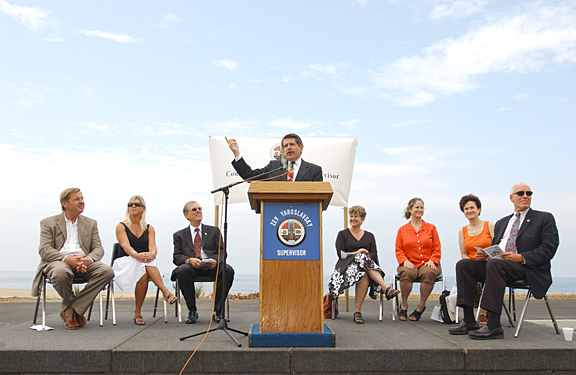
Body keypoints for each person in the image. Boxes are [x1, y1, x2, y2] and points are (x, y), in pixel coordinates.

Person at [449, 183, 559, 339]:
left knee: (495, 264)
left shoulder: (544, 218)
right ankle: (468, 320)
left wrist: (522, 257)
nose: (525, 196)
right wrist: (486, 256)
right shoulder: (503, 222)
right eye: (520, 193)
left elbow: (549, 248)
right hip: (498, 266)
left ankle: (493, 324)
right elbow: (496, 247)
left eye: (529, 193)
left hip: (526, 268)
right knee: (464, 265)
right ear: (511, 197)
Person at [32, 188, 114, 329]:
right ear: (65, 203)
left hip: (84, 261)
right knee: (60, 273)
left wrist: (88, 259)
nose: (81, 202)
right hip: (58, 261)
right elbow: (44, 249)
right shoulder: (48, 222)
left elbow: (98, 249)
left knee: (107, 271)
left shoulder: (91, 223)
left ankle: (72, 310)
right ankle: (72, 311)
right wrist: (66, 259)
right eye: (77, 199)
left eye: (82, 198)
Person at [112, 195, 177, 325]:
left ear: (143, 208)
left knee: (144, 270)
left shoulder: (149, 228)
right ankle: (165, 292)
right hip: (125, 260)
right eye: (130, 204)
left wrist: (151, 255)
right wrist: (137, 256)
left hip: (143, 262)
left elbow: (153, 247)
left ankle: (138, 313)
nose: (133, 207)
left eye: (136, 204)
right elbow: (125, 246)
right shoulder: (121, 226)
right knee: (144, 265)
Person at [328, 206, 399, 324]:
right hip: (346, 267)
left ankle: (357, 312)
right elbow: (341, 254)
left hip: (364, 268)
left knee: (364, 273)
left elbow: (374, 255)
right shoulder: (342, 234)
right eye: (351, 216)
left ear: (362, 219)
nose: (353, 218)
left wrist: (363, 256)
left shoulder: (369, 236)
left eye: (356, 216)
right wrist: (357, 253)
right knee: (361, 256)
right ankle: (385, 287)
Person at [171, 201, 235, 324]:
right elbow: (177, 257)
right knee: (182, 270)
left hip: (211, 266)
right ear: (186, 215)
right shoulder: (179, 235)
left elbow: (222, 252)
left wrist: (215, 260)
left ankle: (218, 311)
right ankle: (192, 310)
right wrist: (189, 260)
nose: (198, 211)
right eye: (194, 209)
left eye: (199, 208)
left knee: (228, 270)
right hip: (192, 267)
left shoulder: (214, 231)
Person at [395, 198, 442, 321]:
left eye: (422, 208)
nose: (420, 210)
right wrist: (404, 260)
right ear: (410, 209)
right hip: (409, 262)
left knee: (428, 272)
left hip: (428, 262)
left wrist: (433, 260)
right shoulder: (402, 230)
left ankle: (421, 306)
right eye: (417, 207)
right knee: (406, 273)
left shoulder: (431, 228)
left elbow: (437, 248)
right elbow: (399, 249)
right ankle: (404, 305)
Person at [457, 194, 495, 326]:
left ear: (479, 209)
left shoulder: (489, 226)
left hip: (491, 265)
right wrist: (472, 262)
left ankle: (484, 312)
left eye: (472, 208)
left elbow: (498, 249)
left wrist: (486, 257)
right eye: (466, 209)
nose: (469, 211)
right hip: (473, 265)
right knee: (462, 265)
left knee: (490, 271)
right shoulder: (462, 231)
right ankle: (468, 318)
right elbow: (464, 253)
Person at [226, 133, 323, 181]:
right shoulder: (274, 166)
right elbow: (250, 176)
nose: (288, 148)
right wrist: (236, 153)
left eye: (292, 144)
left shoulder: (314, 170)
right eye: (285, 146)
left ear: (301, 147)